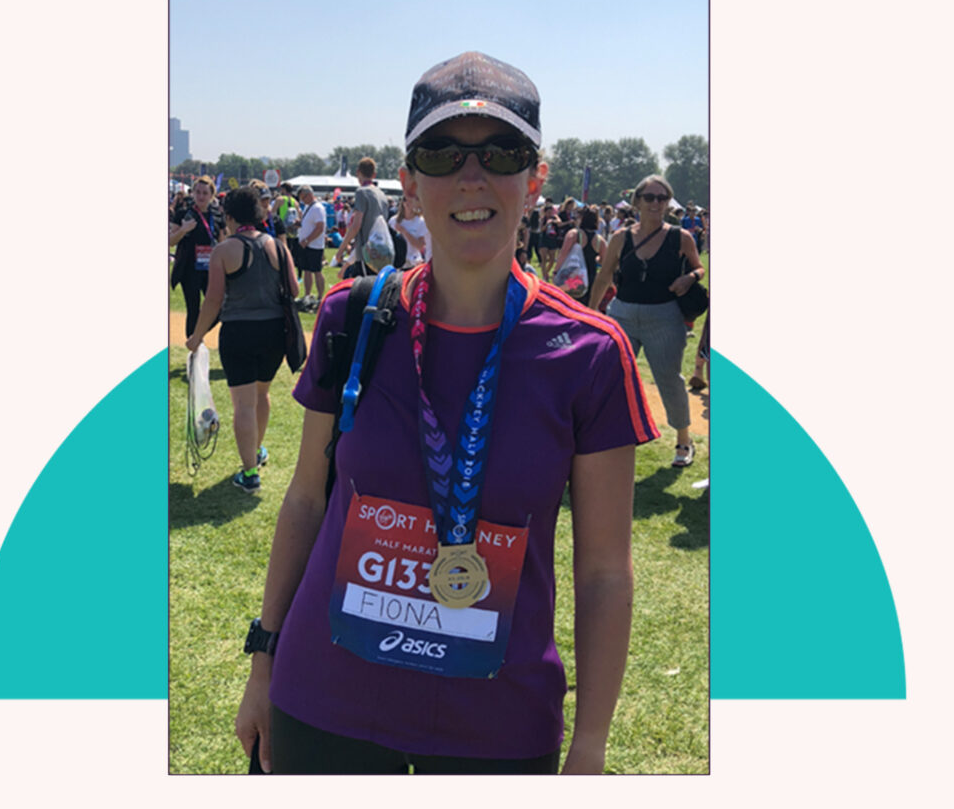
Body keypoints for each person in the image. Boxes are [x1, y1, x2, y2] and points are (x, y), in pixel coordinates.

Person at [234, 51, 659, 775]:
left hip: (496, 727)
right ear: (408, 180)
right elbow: (307, 499)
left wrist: (591, 743)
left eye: (500, 152)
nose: (471, 177)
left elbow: (605, 574)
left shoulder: (591, 352)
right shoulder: (354, 315)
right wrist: (262, 663)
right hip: (323, 702)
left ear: (536, 177)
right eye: (441, 152)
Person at [185, 186, 299, 492]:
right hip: (275, 332)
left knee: (243, 405)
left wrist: (197, 336)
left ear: (230, 216)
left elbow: (213, 300)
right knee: (261, 396)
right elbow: (295, 290)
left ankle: (250, 473)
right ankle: (256, 452)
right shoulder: (278, 245)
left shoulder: (224, 250)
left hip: (239, 332)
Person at [588, 174, 705, 468]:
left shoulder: (681, 236)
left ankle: (683, 440)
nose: (656, 203)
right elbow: (603, 277)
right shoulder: (620, 237)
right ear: (637, 201)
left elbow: (700, 268)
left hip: (664, 317)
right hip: (623, 314)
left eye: (662, 198)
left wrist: (689, 277)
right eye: (650, 197)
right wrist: (589, 314)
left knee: (668, 380)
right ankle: (610, 440)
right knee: (612, 377)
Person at [170, 175, 226, 337]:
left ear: (211, 195)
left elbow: (222, 241)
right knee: (193, 309)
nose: (201, 196)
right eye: (198, 192)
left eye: (205, 193)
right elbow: (170, 241)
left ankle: (197, 335)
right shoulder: (183, 213)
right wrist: (183, 230)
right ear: (193, 193)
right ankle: (193, 350)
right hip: (189, 269)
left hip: (212, 268)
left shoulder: (216, 214)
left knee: (220, 305)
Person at [334, 157, 391, 278]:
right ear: (374, 174)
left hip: (366, 254)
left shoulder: (361, 192)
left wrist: (341, 249)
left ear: (358, 172)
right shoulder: (382, 195)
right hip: (381, 251)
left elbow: (356, 225)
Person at [552, 205, 607, 297]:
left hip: (572, 275)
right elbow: (604, 260)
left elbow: (563, 253)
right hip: (590, 276)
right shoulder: (600, 240)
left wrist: (556, 272)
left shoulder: (574, 234)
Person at [296, 185, 326, 311]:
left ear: (309, 194)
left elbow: (320, 228)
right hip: (306, 245)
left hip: (314, 245)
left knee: (317, 271)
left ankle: (320, 297)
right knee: (306, 271)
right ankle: (307, 295)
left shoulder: (318, 208)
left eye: (303, 197)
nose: (302, 200)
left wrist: (308, 240)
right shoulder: (309, 207)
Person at [390, 196, 431, 267]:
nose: (408, 203)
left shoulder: (421, 222)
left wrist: (404, 231)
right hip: (396, 263)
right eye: (405, 200)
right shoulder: (393, 221)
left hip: (413, 263)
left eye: (411, 201)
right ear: (402, 203)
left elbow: (420, 246)